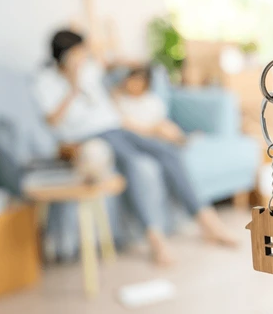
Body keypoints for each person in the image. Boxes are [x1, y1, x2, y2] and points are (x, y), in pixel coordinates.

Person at [34, 30, 237, 266]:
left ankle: (207, 221)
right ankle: (156, 240)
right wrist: (72, 87)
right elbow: (52, 121)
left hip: (117, 125)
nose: (82, 57)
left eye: (83, 52)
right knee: (138, 164)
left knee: (169, 152)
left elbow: (115, 67)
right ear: (65, 55)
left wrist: (113, 60)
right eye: (77, 53)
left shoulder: (90, 69)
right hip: (89, 134)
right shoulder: (45, 81)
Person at [112, 66, 187, 146]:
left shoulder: (151, 100)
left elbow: (160, 119)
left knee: (166, 127)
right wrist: (152, 130)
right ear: (127, 80)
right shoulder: (121, 100)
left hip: (156, 128)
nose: (135, 85)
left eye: (139, 82)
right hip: (140, 132)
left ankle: (181, 140)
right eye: (133, 80)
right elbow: (125, 123)